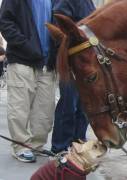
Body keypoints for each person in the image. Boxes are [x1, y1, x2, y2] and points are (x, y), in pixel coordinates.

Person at [0, 0, 56, 162]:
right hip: (22, 59)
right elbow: (5, 21)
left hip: (47, 63)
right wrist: (26, 45)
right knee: (20, 107)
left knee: (45, 110)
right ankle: (21, 146)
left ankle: (36, 145)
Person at [50, 0, 96, 154]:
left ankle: (77, 144)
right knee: (69, 104)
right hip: (71, 60)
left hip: (85, 62)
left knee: (83, 107)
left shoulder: (88, 3)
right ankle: (60, 147)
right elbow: (59, 24)